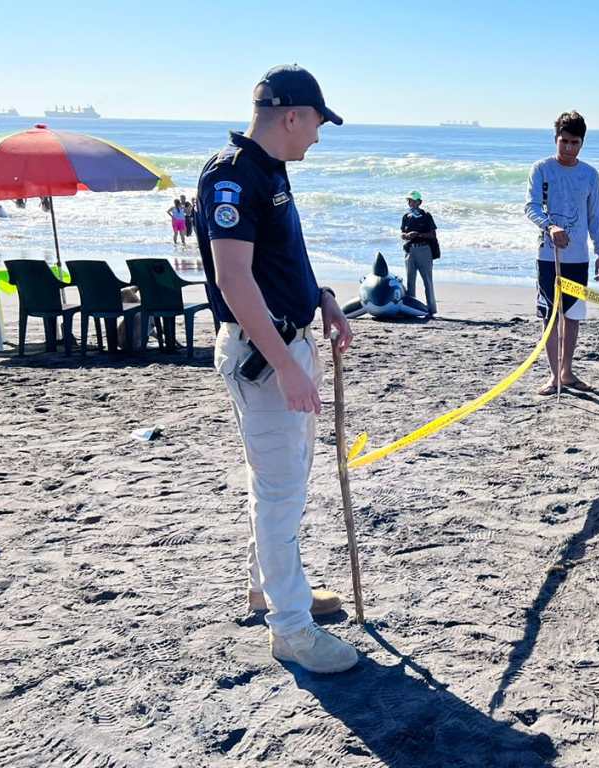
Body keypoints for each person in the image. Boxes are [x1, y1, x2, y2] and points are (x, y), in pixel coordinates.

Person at [194, 64, 358, 675]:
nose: (319, 134)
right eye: (317, 122)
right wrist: (289, 366)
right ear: (292, 115)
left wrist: (323, 298)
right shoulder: (232, 176)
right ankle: (290, 627)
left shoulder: (269, 170)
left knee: (280, 485)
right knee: (281, 490)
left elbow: (283, 257)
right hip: (264, 356)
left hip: (287, 342)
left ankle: (270, 589)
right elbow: (234, 280)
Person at [525, 110, 599, 396]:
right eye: (564, 142)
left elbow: (595, 216)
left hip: (578, 257)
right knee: (551, 315)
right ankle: (552, 376)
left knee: (572, 316)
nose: (569, 148)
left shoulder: (589, 174)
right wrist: (550, 226)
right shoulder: (541, 169)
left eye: (575, 143)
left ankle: (567, 372)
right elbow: (531, 207)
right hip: (549, 256)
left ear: (582, 143)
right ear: (556, 139)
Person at [400, 190, 438, 317]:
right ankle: (411, 309)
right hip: (410, 250)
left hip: (424, 250)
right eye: (409, 200)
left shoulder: (426, 216)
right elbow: (402, 234)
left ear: (419, 202)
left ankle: (431, 309)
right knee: (410, 280)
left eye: (413, 200)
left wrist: (418, 234)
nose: (410, 203)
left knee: (427, 280)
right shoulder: (406, 216)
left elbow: (433, 235)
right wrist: (407, 236)